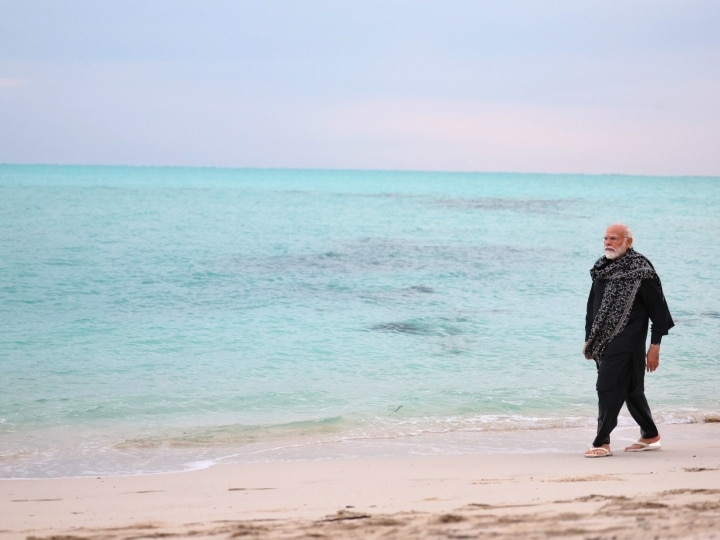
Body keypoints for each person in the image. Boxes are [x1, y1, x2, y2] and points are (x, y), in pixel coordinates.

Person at [582, 223, 674, 458]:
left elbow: (659, 312)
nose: (608, 243)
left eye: (613, 238)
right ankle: (650, 436)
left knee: (606, 388)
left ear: (628, 242)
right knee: (633, 391)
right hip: (603, 342)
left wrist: (655, 346)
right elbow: (592, 308)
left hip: (628, 343)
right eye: (605, 238)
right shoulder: (602, 269)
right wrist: (588, 339)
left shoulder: (642, 271)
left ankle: (602, 441)